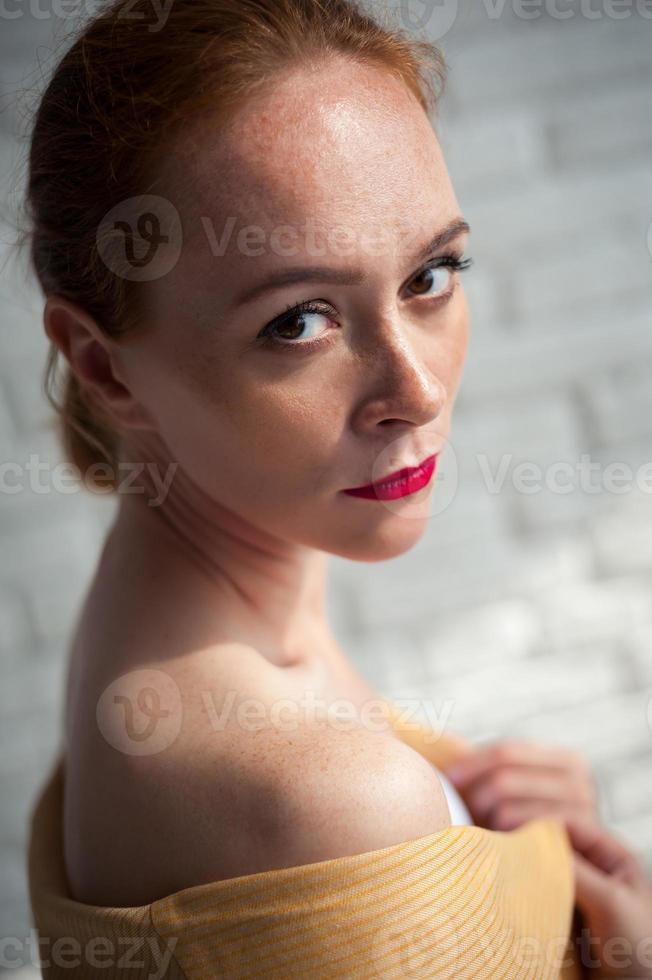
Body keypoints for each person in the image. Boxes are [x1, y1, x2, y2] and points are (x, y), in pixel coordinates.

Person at [20, 0, 651, 974]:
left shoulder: (225, 606)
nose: (419, 389)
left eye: (432, 273)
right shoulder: (324, 799)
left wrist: (517, 858)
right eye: (297, 322)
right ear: (105, 369)